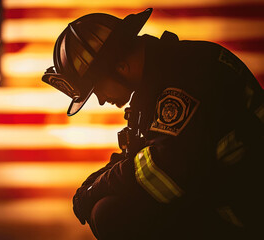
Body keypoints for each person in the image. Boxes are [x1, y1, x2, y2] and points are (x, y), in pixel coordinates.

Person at [42, 8, 263, 240]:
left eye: (97, 89)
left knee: (110, 214)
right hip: (221, 196)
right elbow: (139, 157)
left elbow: (162, 172)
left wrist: (95, 189)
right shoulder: (161, 76)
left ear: (120, 68)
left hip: (245, 215)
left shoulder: (187, 77)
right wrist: (94, 183)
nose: (101, 100)